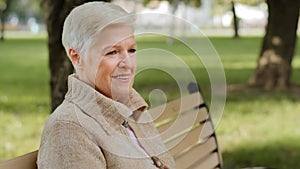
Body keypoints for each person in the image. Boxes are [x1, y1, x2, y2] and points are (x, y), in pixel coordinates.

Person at [37, 2, 175, 169]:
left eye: (131, 50)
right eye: (112, 52)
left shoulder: (134, 108)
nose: (128, 64)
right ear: (76, 57)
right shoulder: (68, 129)